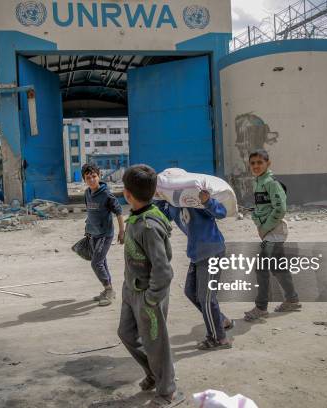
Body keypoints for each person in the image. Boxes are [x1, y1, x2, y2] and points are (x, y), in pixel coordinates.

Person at [117, 164, 182, 407]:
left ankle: (167, 390)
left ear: (127, 194)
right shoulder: (136, 218)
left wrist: (151, 298)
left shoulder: (149, 225)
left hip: (148, 295)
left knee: (156, 344)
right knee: (126, 333)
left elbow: (163, 270)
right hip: (131, 291)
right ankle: (154, 374)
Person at [157, 189, 234, 351]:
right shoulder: (173, 204)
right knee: (191, 292)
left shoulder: (195, 199)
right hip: (196, 253)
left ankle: (219, 339)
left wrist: (207, 201)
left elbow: (221, 213)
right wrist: (159, 199)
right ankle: (221, 320)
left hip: (212, 251)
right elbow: (163, 217)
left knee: (206, 298)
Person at [244, 149, 301, 321]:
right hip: (268, 231)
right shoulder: (257, 182)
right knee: (277, 267)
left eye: (260, 162)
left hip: (275, 232)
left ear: (268, 163)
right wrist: (256, 220)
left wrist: (265, 228)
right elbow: (262, 208)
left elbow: (280, 209)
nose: (256, 166)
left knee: (261, 268)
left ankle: (261, 307)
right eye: (253, 163)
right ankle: (292, 299)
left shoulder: (271, 182)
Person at [82, 163, 124, 306]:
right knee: (102, 262)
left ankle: (109, 290)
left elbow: (118, 211)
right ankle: (107, 290)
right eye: (88, 178)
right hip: (93, 234)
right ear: (84, 180)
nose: (92, 180)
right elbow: (90, 212)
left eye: (94, 176)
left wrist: (122, 231)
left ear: (99, 176)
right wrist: (88, 230)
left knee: (96, 263)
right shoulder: (87, 193)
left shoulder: (106, 194)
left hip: (105, 234)